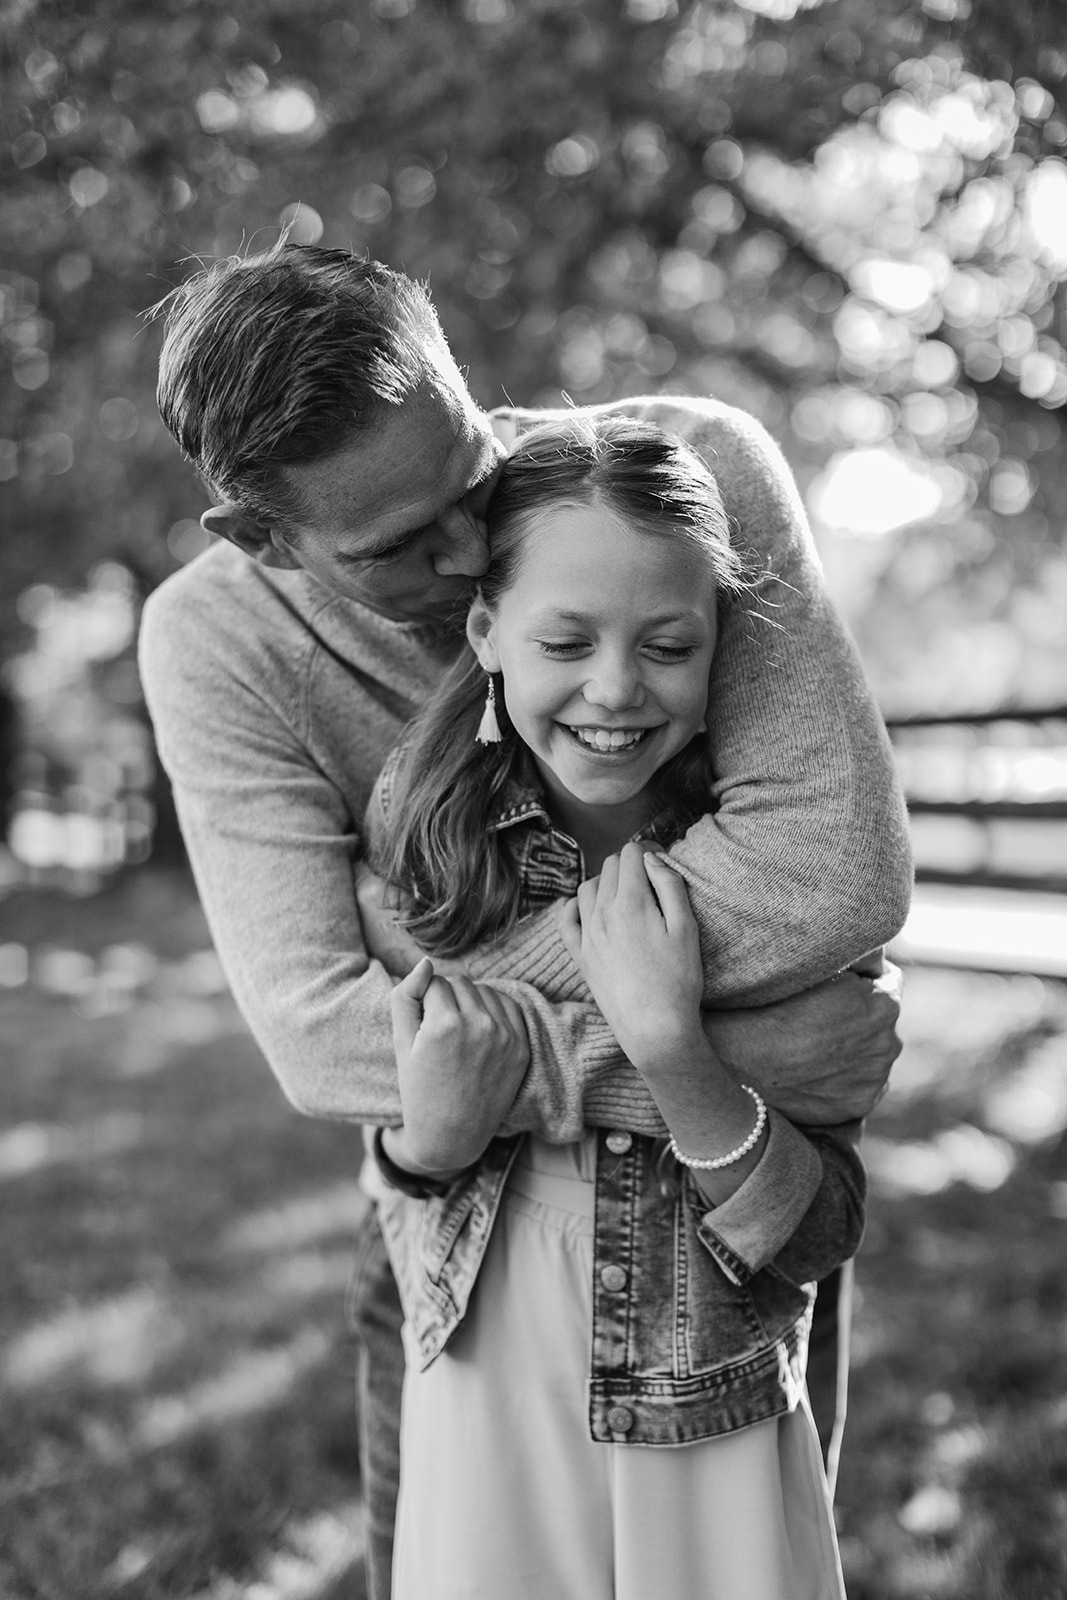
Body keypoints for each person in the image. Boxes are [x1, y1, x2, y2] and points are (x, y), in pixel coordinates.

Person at [139, 243, 911, 1600]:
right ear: (262, 537)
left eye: (469, 483)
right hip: (467, 1243)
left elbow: (830, 870)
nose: (463, 552)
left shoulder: (681, 477)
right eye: (392, 547)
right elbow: (327, 1042)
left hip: (722, 1235)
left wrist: (436, 981)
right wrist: (697, 1060)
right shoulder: (212, 643)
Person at [364, 414, 864, 1598]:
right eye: (566, 638)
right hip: (484, 1376)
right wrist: (426, 1139)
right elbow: (403, 1184)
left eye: (666, 644)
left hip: (708, 1392)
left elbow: (820, 1232)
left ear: (717, 649)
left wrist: (675, 1051)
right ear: (485, 633)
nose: (613, 689)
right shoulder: (433, 854)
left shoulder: (782, 880)